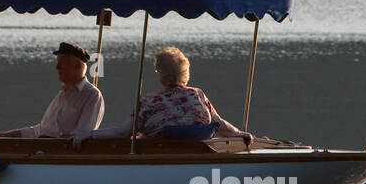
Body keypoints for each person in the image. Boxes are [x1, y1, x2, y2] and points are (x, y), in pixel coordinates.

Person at [76, 45, 252, 147]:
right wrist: (241, 133)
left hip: (161, 156)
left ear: (159, 73)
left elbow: (122, 132)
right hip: (198, 156)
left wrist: (88, 135)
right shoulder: (198, 94)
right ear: (185, 73)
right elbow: (221, 126)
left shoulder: (148, 102)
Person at [0, 42, 105, 139]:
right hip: (42, 149)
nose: (57, 67)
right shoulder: (62, 94)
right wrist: (7, 135)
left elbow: (82, 136)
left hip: (58, 154)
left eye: (62, 63)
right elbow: (41, 130)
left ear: (76, 66)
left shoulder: (92, 95)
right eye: (57, 62)